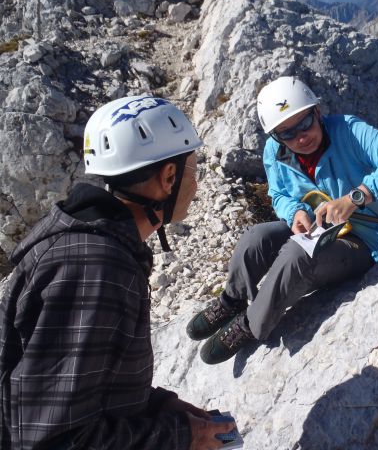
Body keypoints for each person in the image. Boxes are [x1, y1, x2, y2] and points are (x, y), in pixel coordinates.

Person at [0, 96, 236, 449]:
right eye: (193, 167)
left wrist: (159, 405)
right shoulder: (96, 271)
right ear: (168, 177)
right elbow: (56, 440)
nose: (196, 181)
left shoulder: (87, 246)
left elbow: (79, 385)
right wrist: (185, 436)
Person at [187, 76, 378, 365]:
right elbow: (279, 193)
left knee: (297, 254)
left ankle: (250, 324)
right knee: (255, 238)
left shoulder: (349, 131)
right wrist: (295, 213)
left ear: (317, 113)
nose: (300, 137)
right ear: (275, 136)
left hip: (371, 239)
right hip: (319, 227)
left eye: (305, 124)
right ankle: (231, 300)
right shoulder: (275, 151)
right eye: (287, 133)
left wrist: (356, 197)